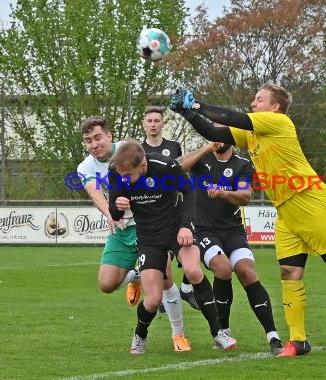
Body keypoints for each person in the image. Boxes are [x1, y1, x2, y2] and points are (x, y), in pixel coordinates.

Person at [169, 83, 326, 356]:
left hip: (310, 200)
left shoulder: (279, 122)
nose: (254, 103)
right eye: (254, 99)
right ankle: (298, 341)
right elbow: (214, 131)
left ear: (275, 107)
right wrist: (188, 114)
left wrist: (195, 105)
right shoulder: (253, 134)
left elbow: (231, 117)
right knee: (289, 272)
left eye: (260, 99)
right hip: (284, 210)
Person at [108, 139, 237, 354]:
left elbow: (189, 193)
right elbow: (114, 213)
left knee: (194, 271)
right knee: (153, 299)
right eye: (121, 175)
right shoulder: (117, 172)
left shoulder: (166, 167)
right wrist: (117, 207)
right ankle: (140, 334)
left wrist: (186, 226)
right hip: (149, 237)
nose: (124, 178)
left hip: (178, 229)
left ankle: (219, 333)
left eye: (128, 175)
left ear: (143, 165)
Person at [77, 116, 191, 352]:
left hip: (147, 228)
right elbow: (94, 192)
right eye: (88, 141)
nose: (94, 144)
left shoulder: (129, 150)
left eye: (97, 137)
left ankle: (178, 335)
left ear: (109, 136)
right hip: (120, 230)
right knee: (106, 284)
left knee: (165, 278)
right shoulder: (85, 167)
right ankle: (135, 277)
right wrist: (111, 214)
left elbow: (163, 173)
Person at [180, 141, 284, 355]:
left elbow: (245, 196)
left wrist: (223, 193)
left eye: (221, 133)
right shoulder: (203, 158)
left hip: (233, 231)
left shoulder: (242, 165)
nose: (217, 138)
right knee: (223, 268)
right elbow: (181, 166)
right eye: (213, 133)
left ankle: (273, 336)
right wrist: (206, 149)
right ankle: (223, 331)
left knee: (247, 272)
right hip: (204, 230)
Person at [140, 106, 199, 311]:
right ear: (144, 124)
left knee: (191, 246)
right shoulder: (139, 150)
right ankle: (166, 296)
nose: (153, 124)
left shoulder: (174, 146)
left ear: (163, 124)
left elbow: (181, 172)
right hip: (151, 213)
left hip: (174, 208)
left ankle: (183, 289)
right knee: (162, 260)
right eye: (150, 121)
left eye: (157, 121)